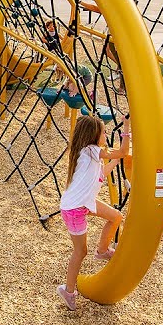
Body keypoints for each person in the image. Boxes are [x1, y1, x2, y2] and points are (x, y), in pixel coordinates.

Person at [55, 113, 131, 311]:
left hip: (84, 203)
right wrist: (126, 127)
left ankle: (103, 251)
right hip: (74, 209)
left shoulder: (89, 155)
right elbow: (122, 151)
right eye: (104, 133)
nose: (106, 135)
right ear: (93, 136)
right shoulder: (91, 151)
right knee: (80, 252)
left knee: (116, 216)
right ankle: (68, 291)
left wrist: (117, 160)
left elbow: (102, 173)